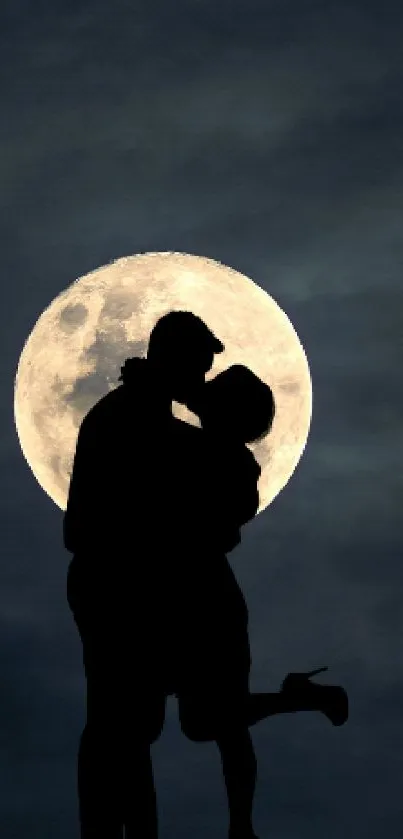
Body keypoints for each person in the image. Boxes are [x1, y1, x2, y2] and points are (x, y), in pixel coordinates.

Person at [64, 310, 225, 839]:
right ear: (175, 361)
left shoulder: (139, 414)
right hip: (115, 590)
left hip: (119, 587)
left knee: (130, 725)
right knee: (121, 725)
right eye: (197, 369)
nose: (201, 381)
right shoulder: (136, 419)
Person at [170, 364, 349, 839]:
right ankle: (298, 701)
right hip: (198, 595)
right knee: (208, 721)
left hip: (208, 600)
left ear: (228, 414)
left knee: (217, 723)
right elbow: (193, 406)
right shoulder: (212, 446)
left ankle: (242, 828)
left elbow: (225, 518)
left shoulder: (227, 459)